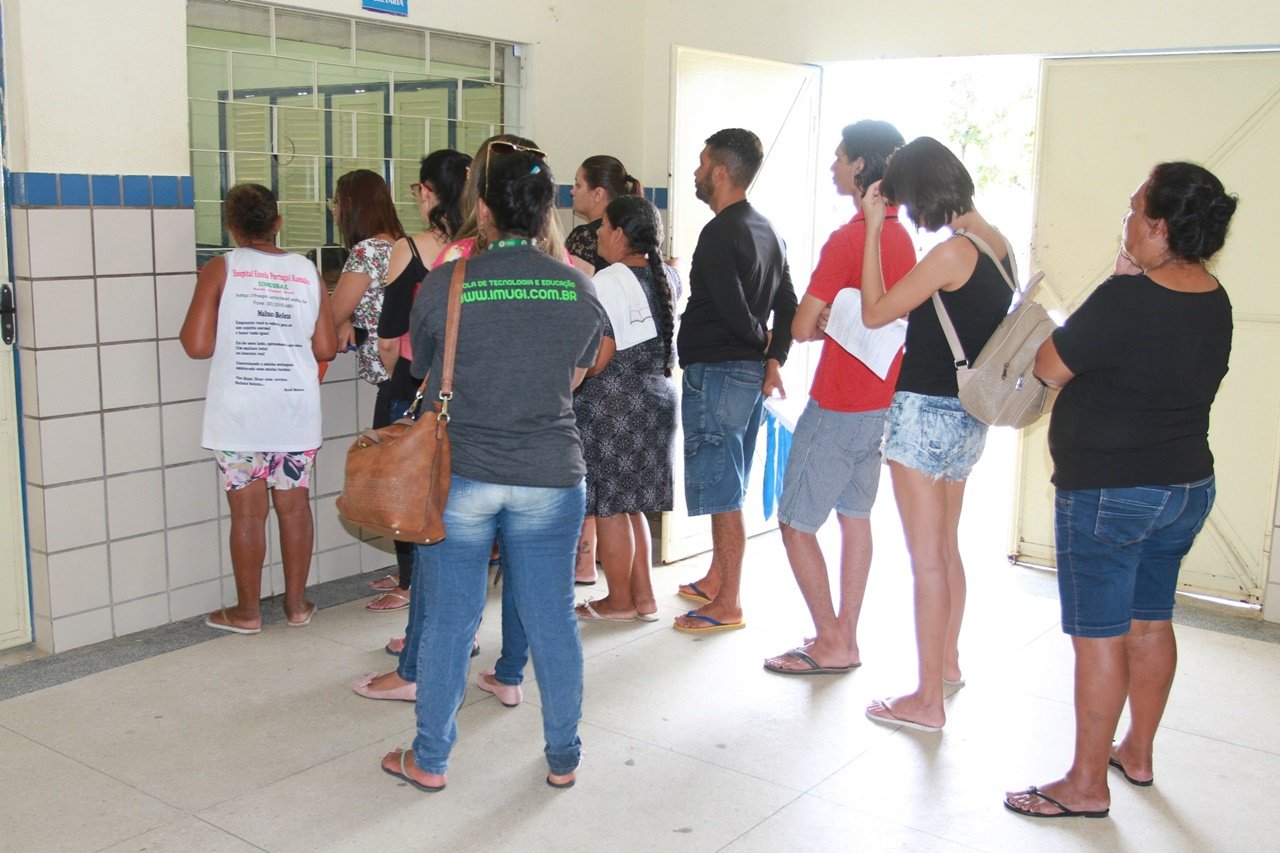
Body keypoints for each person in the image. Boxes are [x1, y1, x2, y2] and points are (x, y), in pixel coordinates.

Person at [1005, 163, 1236, 819]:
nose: (1126, 221)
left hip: (1111, 492)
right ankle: (1136, 751)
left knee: (1100, 635)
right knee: (1151, 619)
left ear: (1160, 228)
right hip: (1186, 487)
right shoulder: (1214, 297)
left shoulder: (1125, 298)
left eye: (1135, 211)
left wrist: (1117, 283)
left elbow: (1048, 366)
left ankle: (1085, 784)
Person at [378, 146, 604, 793]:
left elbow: (421, 367)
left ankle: (430, 759)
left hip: (464, 473)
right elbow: (579, 369)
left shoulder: (447, 281)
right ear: (545, 212)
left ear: (481, 208)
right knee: (552, 618)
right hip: (550, 474)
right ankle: (563, 758)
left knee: (451, 620)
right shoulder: (576, 284)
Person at [351, 135, 570, 705]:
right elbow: (578, 363)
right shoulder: (562, 265)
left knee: (440, 573)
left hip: (464, 445)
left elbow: (418, 359)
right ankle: (512, 678)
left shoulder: (457, 261)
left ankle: (418, 679)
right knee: (528, 579)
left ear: (483, 196)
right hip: (543, 450)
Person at [856, 137, 1014, 730]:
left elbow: (875, 311)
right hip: (967, 415)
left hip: (924, 415)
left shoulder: (952, 253)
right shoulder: (998, 246)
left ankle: (926, 701)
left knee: (926, 562)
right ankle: (946, 664)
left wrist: (874, 228)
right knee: (946, 549)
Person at [762, 120, 915, 674]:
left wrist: (826, 317)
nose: (833, 166)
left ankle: (831, 640)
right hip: (881, 402)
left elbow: (801, 327)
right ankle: (844, 632)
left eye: (840, 156)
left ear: (861, 166)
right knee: (855, 516)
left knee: (795, 523)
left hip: (838, 402)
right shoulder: (901, 237)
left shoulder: (849, 239)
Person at [179, 183, 336, 633]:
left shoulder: (221, 268)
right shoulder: (306, 270)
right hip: (294, 409)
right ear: (277, 223)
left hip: (240, 413)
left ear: (231, 226)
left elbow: (196, 345)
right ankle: (297, 606)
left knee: (247, 514)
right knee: (295, 507)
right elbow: (325, 346)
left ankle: (247, 613)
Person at [673, 127, 797, 634]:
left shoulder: (720, 232)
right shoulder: (769, 231)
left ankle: (728, 604)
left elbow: (732, 308)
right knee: (731, 481)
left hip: (719, 373)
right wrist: (774, 358)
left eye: (703, 163)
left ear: (721, 172)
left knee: (722, 488)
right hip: (744, 377)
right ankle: (717, 578)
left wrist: (762, 343)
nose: (696, 172)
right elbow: (788, 304)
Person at [366, 149, 473, 649]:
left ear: (428, 191)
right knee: (458, 506)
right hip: (471, 394)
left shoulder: (409, 249)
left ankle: (415, 596)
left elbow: (389, 337)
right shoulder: (482, 249)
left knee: (408, 497)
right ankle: (457, 619)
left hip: (414, 388)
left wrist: (400, 382)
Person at [572, 195, 680, 622]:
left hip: (613, 405)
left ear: (619, 233)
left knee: (611, 506)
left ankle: (618, 601)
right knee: (633, 504)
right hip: (657, 399)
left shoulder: (608, 281)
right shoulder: (667, 276)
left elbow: (599, 359)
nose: (598, 234)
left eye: (603, 227)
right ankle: (644, 598)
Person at [327, 170, 407, 611]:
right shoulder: (401, 243)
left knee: (395, 482)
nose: (334, 210)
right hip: (411, 374)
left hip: (394, 379)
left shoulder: (366, 251)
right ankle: (410, 571)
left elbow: (335, 308)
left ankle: (411, 584)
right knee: (407, 476)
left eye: (337, 201)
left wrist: (338, 319)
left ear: (353, 206)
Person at [565, 155, 644, 584]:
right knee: (627, 498)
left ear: (599, 194)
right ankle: (631, 584)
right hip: (641, 382)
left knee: (599, 484)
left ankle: (587, 564)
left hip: (600, 371)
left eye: (578, 185)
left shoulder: (584, 239)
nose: (572, 192)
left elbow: (580, 306)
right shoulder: (651, 264)